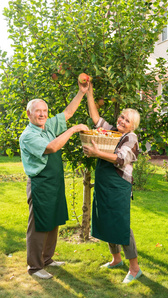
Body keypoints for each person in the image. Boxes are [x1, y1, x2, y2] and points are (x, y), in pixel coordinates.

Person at [19, 82, 89, 279]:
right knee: (39, 225)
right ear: (29, 114)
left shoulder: (47, 125)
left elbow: (67, 113)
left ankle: (47, 259)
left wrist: (81, 92)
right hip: (40, 183)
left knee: (53, 221)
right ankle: (34, 266)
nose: (42, 114)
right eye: (37, 111)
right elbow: (52, 147)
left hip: (55, 182)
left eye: (45, 111)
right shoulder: (28, 135)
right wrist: (73, 130)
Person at [83, 84, 142, 284]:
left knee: (120, 224)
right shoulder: (112, 132)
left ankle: (134, 268)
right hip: (104, 184)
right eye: (122, 117)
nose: (122, 121)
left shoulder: (131, 138)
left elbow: (120, 159)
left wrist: (96, 153)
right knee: (105, 219)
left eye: (127, 120)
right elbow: (95, 119)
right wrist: (89, 92)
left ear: (133, 125)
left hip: (118, 186)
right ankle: (116, 259)